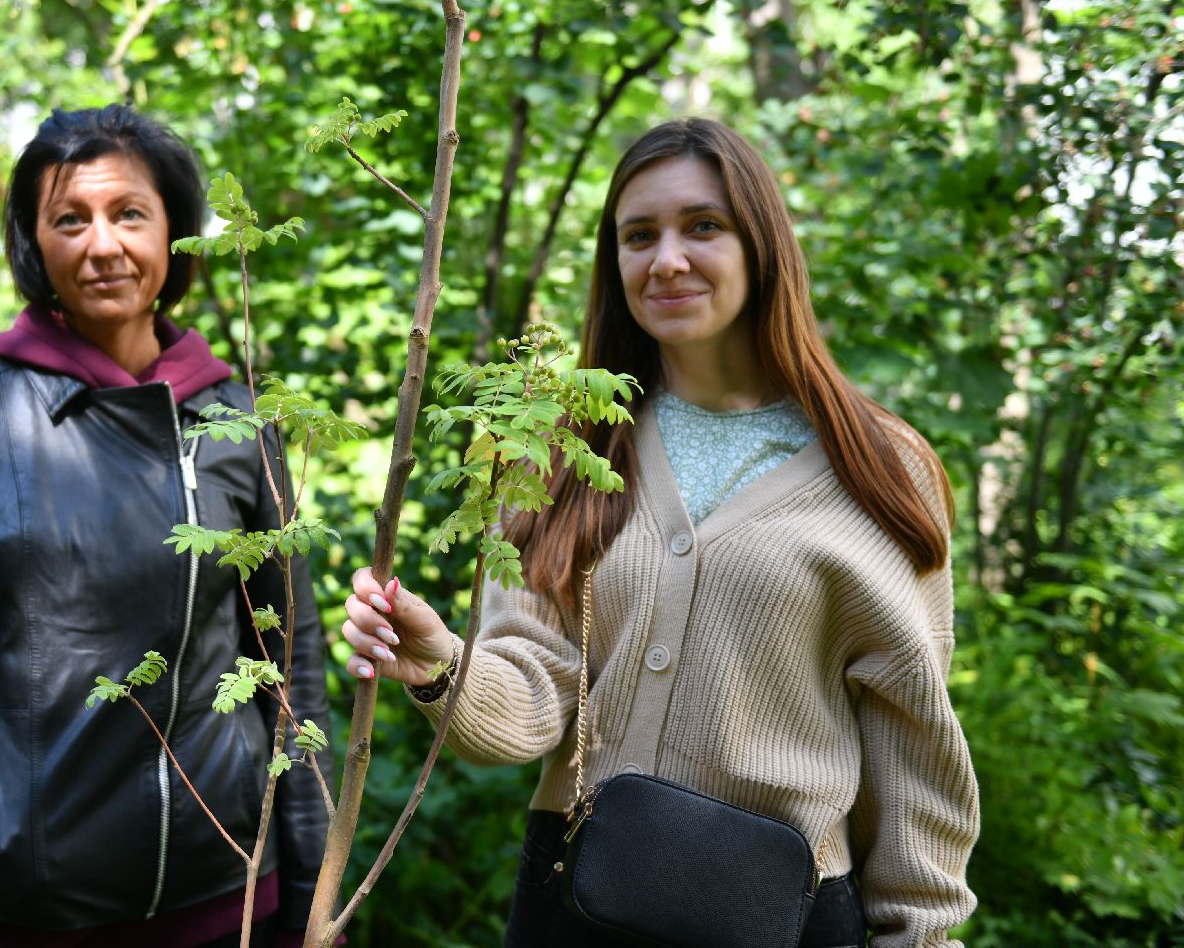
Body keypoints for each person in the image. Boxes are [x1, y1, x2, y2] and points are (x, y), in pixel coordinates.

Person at [341, 118, 979, 947]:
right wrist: (438, 665)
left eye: (702, 226)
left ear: (763, 245)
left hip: (783, 916)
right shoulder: (559, 447)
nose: (666, 259)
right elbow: (534, 695)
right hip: (578, 902)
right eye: (639, 235)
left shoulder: (880, 465)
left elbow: (914, 744)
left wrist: (922, 937)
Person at [0, 104, 331, 948]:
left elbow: (290, 666)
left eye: (129, 213)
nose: (102, 244)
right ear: (33, 243)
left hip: (214, 896)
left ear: (174, 233)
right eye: (69, 219)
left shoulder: (240, 426)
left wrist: (310, 887)